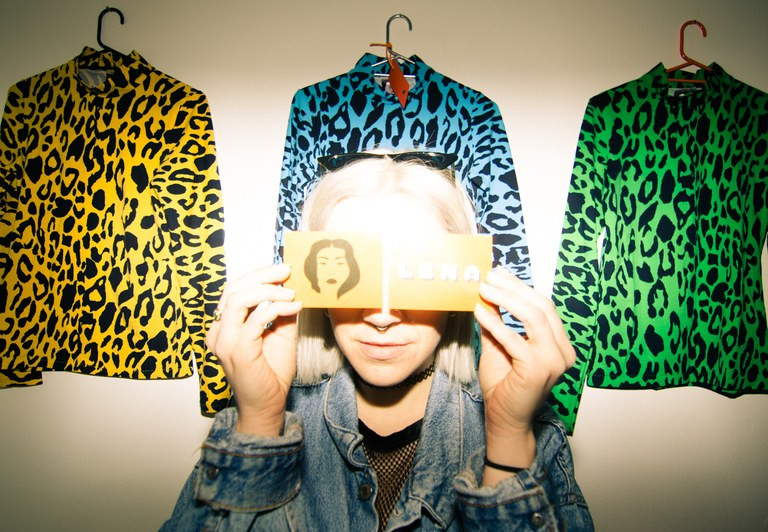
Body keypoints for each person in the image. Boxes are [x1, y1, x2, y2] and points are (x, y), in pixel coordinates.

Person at [162, 155, 593, 531]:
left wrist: (507, 439)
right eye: (360, 277)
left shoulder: (527, 428)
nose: (383, 317)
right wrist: (258, 423)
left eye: (412, 279)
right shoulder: (266, 411)